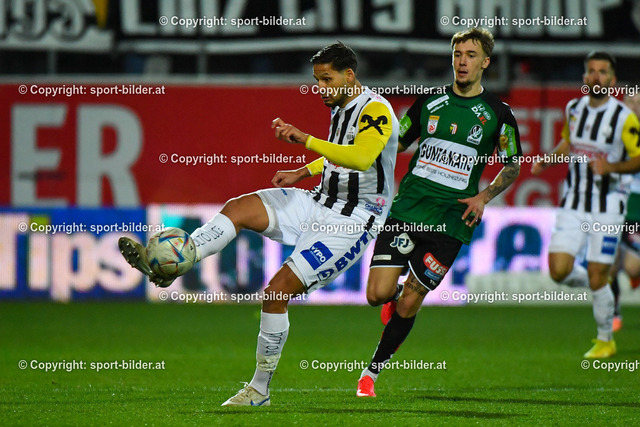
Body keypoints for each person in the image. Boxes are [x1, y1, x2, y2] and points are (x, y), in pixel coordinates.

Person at [119, 41, 399, 406]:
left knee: (276, 293)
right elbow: (339, 157)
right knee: (239, 208)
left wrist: (305, 140)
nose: (320, 88)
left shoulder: (375, 109)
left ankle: (259, 389)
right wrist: (303, 172)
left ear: (349, 75)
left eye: (327, 79)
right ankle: (183, 259)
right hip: (319, 201)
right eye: (317, 80)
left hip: (352, 221)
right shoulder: (341, 106)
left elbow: (361, 158)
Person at [356, 27, 523, 397]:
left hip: (451, 220)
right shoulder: (429, 103)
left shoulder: (498, 114)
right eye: (458, 54)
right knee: (376, 294)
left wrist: (484, 197)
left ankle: (370, 374)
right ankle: (394, 295)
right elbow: (394, 142)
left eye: (471, 55)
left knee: (411, 300)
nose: (462, 61)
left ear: (486, 62)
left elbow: (512, 164)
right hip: (408, 210)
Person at [532, 52, 640, 358]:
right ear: (584, 78)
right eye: (591, 71)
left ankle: (605, 340)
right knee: (558, 270)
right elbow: (569, 142)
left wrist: (611, 168)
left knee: (597, 273)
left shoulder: (624, 118)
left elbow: (638, 158)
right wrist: (547, 160)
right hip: (574, 203)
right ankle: (599, 283)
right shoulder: (574, 108)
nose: (596, 77)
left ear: (612, 80)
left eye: (602, 72)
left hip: (608, 206)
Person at [610, 92, 640, 331]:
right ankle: (614, 310)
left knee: (632, 267)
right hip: (613, 204)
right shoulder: (613, 132)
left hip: (636, 208)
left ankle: (635, 275)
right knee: (608, 261)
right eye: (631, 101)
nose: (635, 107)